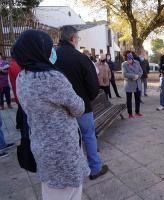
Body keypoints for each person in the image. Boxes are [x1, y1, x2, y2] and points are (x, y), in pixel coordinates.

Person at [13, 29, 89, 199]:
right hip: (62, 149)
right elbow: (78, 108)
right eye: (48, 47)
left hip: (41, 145)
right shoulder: (51, 77)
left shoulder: (22, 77)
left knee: (50, 190)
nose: (51, 50)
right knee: (69, 192)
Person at [55, 25, 108, 180]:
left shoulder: (51, 57)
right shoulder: (81, 58)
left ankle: (70, 172)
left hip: (59, 108)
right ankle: (95, 169)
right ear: (73, 38)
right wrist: (87, 98)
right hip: (82, 106)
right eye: (77, 38)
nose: (77, 40)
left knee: (66, 140)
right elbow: (93, 85)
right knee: (89, 136)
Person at [122, 51, 143, 118]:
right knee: (129, 100)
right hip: (129, 84)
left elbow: (141, 71)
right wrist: (134, 76)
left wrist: (138, 76)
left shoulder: (137, 62)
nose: (129, 61)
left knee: (137, 99)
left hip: (137, 83)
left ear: (132, 58)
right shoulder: (124, 64)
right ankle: (130, 114)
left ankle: (137, 112)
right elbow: (124, 74)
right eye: (127, 60)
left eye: (130, 60)